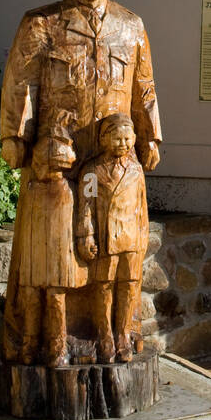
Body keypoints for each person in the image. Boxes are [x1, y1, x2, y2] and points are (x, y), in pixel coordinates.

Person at [0, 0, 162, 366]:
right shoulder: (43, 23)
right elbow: (22, 82)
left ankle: (109, 334)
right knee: (55, 257)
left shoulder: (131, 26)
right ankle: (51, 340)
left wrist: (149, 137)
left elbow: (143, 87)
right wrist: (15, 138)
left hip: (112, 157)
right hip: (58, 158)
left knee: (111, 249)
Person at [75, 114, 149, 364]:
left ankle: (123, 335)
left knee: (128, 286)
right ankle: (104, 336)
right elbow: (85, 207)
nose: (123, 143)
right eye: (117, 138)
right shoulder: (92, 171)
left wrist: (143, 238)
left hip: (130, 240)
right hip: (106, 240)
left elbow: (142, 208)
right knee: (104, 287)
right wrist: (86, 235)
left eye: (128, 139)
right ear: (103, 139)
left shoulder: (136, 170)